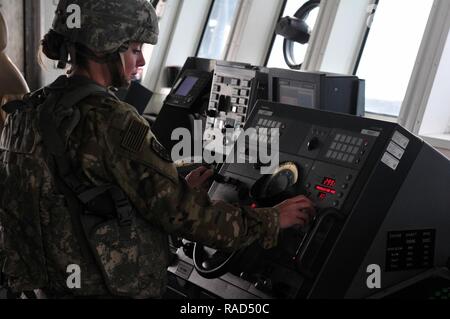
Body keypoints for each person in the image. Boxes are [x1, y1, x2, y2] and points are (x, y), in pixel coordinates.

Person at [0, 0, 315, 299]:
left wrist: (172, 187)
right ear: (105, 45)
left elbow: (72, 201)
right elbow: (189, 218)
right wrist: (272, 219)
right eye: (135, 49)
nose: (141, 61)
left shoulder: (25, 110)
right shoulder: (113, 120)